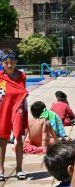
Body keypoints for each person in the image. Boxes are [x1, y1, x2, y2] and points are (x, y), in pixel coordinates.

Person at [0, 48, 28, 181]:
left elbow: (24, 95)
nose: (9, 65)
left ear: (16, 62)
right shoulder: (0, 77)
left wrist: (26, 113)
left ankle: (19, 168)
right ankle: (1, 170)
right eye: (6, 62)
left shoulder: (22, 76)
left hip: (19, 110)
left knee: (19, 140)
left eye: (11, 62)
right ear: (2, 63)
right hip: (3, 110)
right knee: (2, 140)